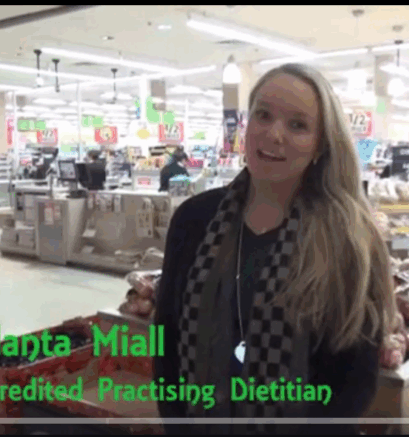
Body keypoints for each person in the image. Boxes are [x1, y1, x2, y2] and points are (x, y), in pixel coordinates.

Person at [154, 63, 395, 435]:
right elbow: (166, 340)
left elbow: (352, 383)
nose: (274, 134)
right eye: (263, 115)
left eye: (298, 125)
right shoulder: (194, 220)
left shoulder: (349, 237)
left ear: (320, 145)